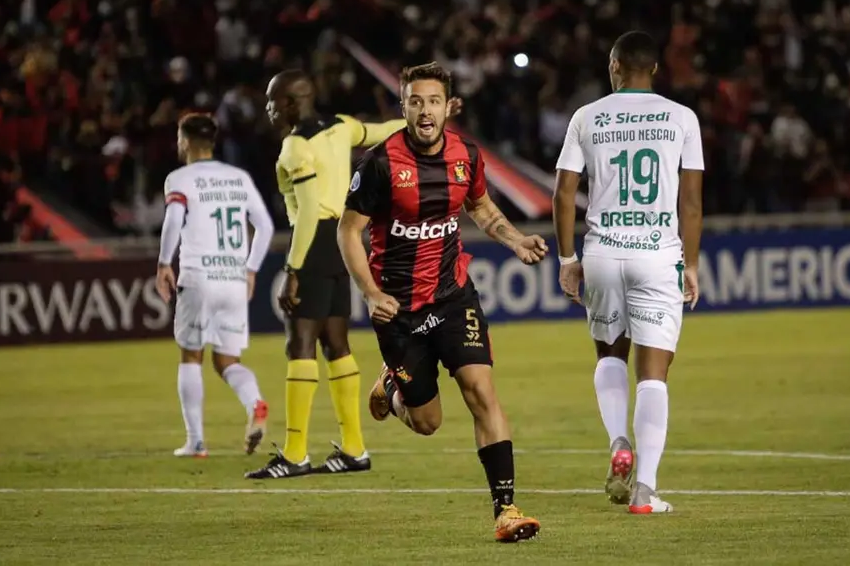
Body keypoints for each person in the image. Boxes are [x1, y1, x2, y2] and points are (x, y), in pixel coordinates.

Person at [338, 62, 548, 542]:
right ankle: (392, 388)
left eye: (434, 101)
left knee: (482, 391)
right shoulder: (380, 163)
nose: (425, 110)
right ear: (403, 107)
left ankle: (506, 509)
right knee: (428, 422)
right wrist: (371, 293)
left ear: (449, 106)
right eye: (415, 101)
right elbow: (347, 230)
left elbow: (480, 206)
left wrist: (514, 240)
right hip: (399, 311)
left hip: (453, 296)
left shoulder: (466, 156)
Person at [552, 31, 704, 514]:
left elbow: (562, 194)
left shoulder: (587, 117)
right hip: (657, 253)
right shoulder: (682, 118)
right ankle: (646, 490)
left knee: (609, 353)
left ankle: (619, 439)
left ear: (614, 65)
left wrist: (566, 258)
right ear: (655, 69)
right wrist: (693, 264)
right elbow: (692, 201)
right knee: (654, 374)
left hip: (602, 252)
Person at [245, 70, 412, 479]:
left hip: (318, 239)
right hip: (345, 239)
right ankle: (354, 449)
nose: (267, 108)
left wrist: (292, 270)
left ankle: (295, 453)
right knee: (337, 343)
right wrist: (420, 120)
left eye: (272, 100)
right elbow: (383, 131)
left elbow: (305, 214)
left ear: (290, 102)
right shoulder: (341, 127)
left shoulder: (294, 147)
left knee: (300, 345)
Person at [156, 113, 275, 458]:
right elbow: (265, 226)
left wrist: (165, 262)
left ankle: (195, 442)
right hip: (234, 279)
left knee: (191, 356)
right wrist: (251, 269)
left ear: (188, 141)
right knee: (227, 361)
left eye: (180, 138)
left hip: (198, 277)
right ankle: (255, 404)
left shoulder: (179, 178)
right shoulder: (238, 178)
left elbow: (174, 219)